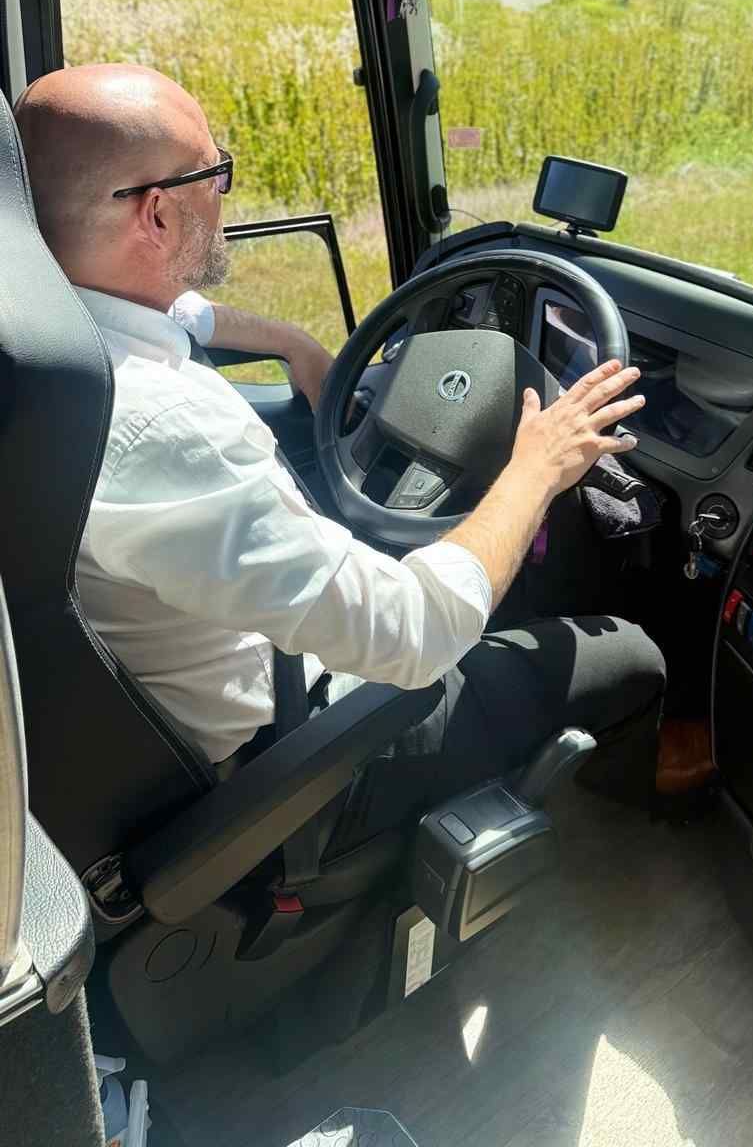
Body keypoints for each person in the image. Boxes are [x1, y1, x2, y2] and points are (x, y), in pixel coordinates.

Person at [15, 62, 665, 856]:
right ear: (154, 215)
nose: (227, 193)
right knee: (631, 655)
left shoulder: (49, 329)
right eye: (215, 174)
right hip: (291, 765)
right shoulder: (167, 429)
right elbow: (414, 631)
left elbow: (182, 309)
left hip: (153, 711)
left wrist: (294, 345)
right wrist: (538, 465)